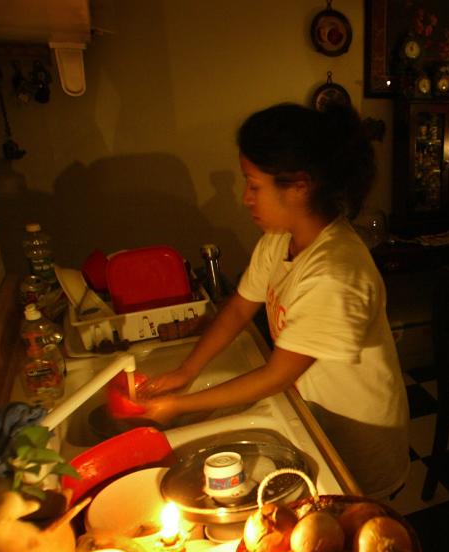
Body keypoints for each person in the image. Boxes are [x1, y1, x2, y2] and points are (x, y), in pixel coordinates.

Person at [139, 103, 409, 499]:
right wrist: (186, 370)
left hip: (359, 440)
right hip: (317, 421)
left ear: (299, 186)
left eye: (254, 184)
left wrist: (179, 404)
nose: (245, 198)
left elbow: (275, 375)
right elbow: (237, 309)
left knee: (355, 530)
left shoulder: (334, 272)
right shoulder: (280, 241)